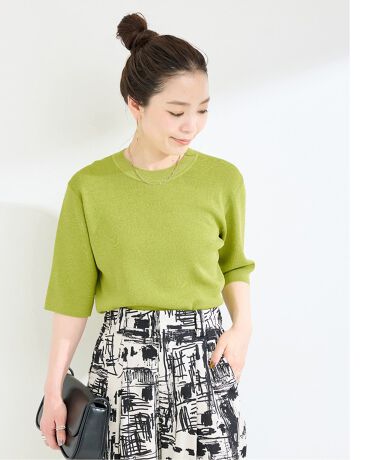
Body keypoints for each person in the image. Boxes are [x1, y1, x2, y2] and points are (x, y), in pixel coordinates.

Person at [39, 11, 255, 460]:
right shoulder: (89, 187)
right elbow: (72, 295)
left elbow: (234, 262)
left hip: (203, 360)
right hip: (123, 368)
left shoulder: (222, 180)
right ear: (135, 104)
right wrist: (54, 389)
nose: (191, 125)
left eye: (202, 110)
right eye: (176, 112)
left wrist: (243, 327)